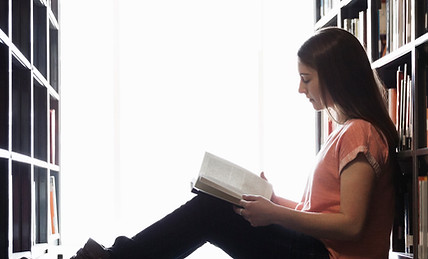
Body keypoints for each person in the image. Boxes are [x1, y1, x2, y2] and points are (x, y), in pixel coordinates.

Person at [72, 27, 402, 259]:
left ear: (335, 76)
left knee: (209, 210)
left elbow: (351, 224)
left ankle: (116, 258)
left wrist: (273, 214)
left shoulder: (360, 133)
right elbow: (319, 212)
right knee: (213, 203)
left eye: (306, 79)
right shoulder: (346, 132)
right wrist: (272, 199)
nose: (301, 90)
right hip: (316, 247)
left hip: (324, 254)